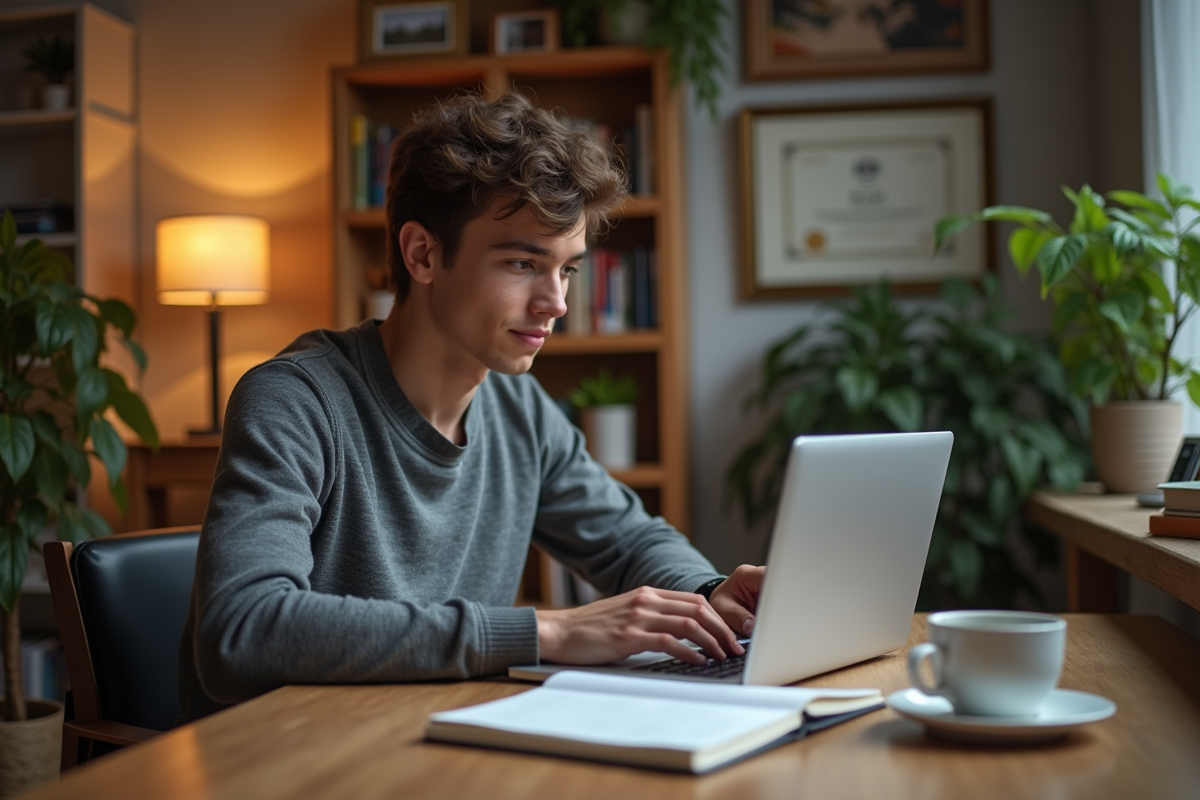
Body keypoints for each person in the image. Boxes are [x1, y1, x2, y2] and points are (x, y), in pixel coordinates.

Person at [178, 92, 763, 722]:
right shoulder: (295, 400)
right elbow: (241, 632)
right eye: (522, 263)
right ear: (422, 254)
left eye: (567, 270)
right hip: (292, 757)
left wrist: (708, 595)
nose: (556, 302)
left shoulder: (519, 406)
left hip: (429, 742)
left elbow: (628, 539)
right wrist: (547, 632)